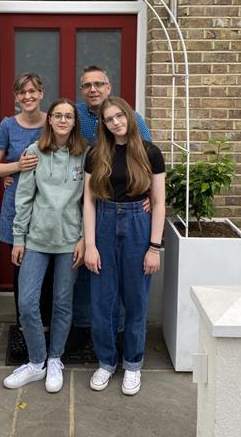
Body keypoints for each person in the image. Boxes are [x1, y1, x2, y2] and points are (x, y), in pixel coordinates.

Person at [3, 99, 88, 393]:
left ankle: (55, 359)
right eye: (58, 115)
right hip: (36, 240)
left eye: (68, 116)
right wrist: (18, 238)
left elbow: (90, 201)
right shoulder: (34, 152)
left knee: (63, 303)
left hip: (69, 242)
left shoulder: (85, 155)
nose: (63, 120)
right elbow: (23, 198)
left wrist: (84, 238)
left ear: (74, 122)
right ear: (49, 120)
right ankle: (36, 361)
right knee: (27, 303)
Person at [83, 97, 165, 396]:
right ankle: (106, 362)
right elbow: (89, 202)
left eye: (120, 116)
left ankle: (132, 364)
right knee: (102, 303)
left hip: (137, 229)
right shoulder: (96, 154)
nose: (116, 122)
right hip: (104, 223)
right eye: (109, 119)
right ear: (103, 124)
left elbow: (158, 203)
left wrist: (154, 247)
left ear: (129, 117)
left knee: (135, 302)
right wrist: (90, 245)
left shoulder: (149, 152)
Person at [70, 65, 151, 343]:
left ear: (109, 86)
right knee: (87, 269)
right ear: (82, 90)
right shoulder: (76, 115)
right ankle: (86, 329)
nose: (93, 89)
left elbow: (147, 159)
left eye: (99, 84)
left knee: (121, 276)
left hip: (122, 206)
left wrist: (150, 195)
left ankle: (118, 337)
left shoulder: (133, 119)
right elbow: (50, 143)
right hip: (82, 200)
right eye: (87, 85)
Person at [0, 72, 48, 361]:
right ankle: (24, 329)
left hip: (48, 209)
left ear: (41, 93)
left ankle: (45, 331)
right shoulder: (8, 127)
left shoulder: (55, 121)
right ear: (16, 96)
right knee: (20, 271)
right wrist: (15, 168)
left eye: (33, 91)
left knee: (47, 274)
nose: (28, 97)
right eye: (22, 92)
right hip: (16, 209)